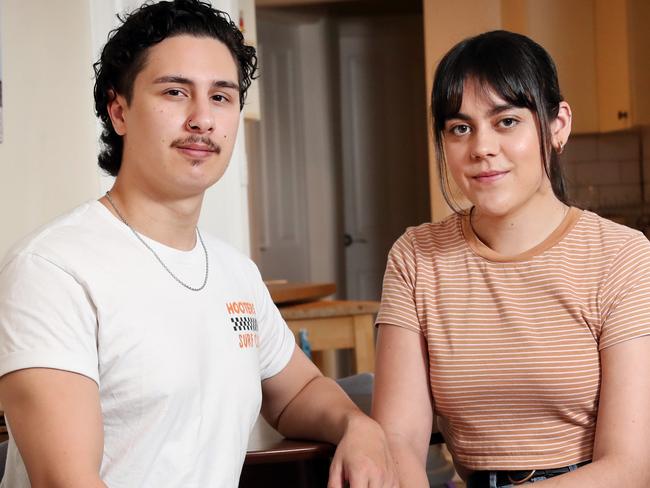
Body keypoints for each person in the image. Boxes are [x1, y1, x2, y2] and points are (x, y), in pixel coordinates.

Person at [0, 1, 397, 487]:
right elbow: (68, 481)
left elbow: (297, 392)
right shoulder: (53, 268)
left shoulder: (234, 272)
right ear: (118, 110)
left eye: (221, 97)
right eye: (174, 91)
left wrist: (357, 425)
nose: (202, 119)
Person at [372, 30, 650, 487]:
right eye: (460, 128)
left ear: (557, 125)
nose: (481, 147)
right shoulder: (415, 257)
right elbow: (398, 439)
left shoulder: (621, 256)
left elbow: (630, 466)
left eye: (506, 122)